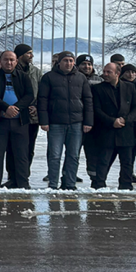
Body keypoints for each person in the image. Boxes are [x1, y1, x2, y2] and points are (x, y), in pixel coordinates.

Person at [38, 51, 94, 191]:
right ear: (59, 62)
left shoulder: (81, 78)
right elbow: (42, 100)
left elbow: (88, 100)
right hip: (55, 123)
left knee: (73, 155)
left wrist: (88, 121)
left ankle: (69, 183)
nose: (68, 63)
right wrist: (43, 120)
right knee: (54, 155)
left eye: (71, 60)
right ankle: (53, 184)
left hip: (76, 123)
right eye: (65, 60)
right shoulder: (49, 77)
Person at [0, 50, 35, 190]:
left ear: (16, 61)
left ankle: (22, 184)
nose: (9, 62)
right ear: (0, 61)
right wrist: (5, 108)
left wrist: (16, 108)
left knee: (21, 154)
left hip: (20, 121)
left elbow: (29, 95)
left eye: (12, 60)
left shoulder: (23, 76)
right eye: (6, 59)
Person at [89, 61, 136, 189]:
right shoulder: (97, 89)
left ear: (117, 73)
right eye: (104, 72)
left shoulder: (129, 87)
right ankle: (99, 185)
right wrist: (112, 121)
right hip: (106, 130)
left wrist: (125, 120)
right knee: (103, 161)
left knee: (127, 162)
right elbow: (96, 110)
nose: (105, 74)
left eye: (109, 72)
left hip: (125, 130)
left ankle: (126, 185)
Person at [14, 43, 42, 172]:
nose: (32, 56)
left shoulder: (36, 72)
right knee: (15, 147)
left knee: (29, 147)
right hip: (15, 115)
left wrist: (36, 106)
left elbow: (42, 93)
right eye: (28, 53)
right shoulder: (12, 71)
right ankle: (13, 175)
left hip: (32, 116)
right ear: (20, 55)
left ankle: (25, 174)